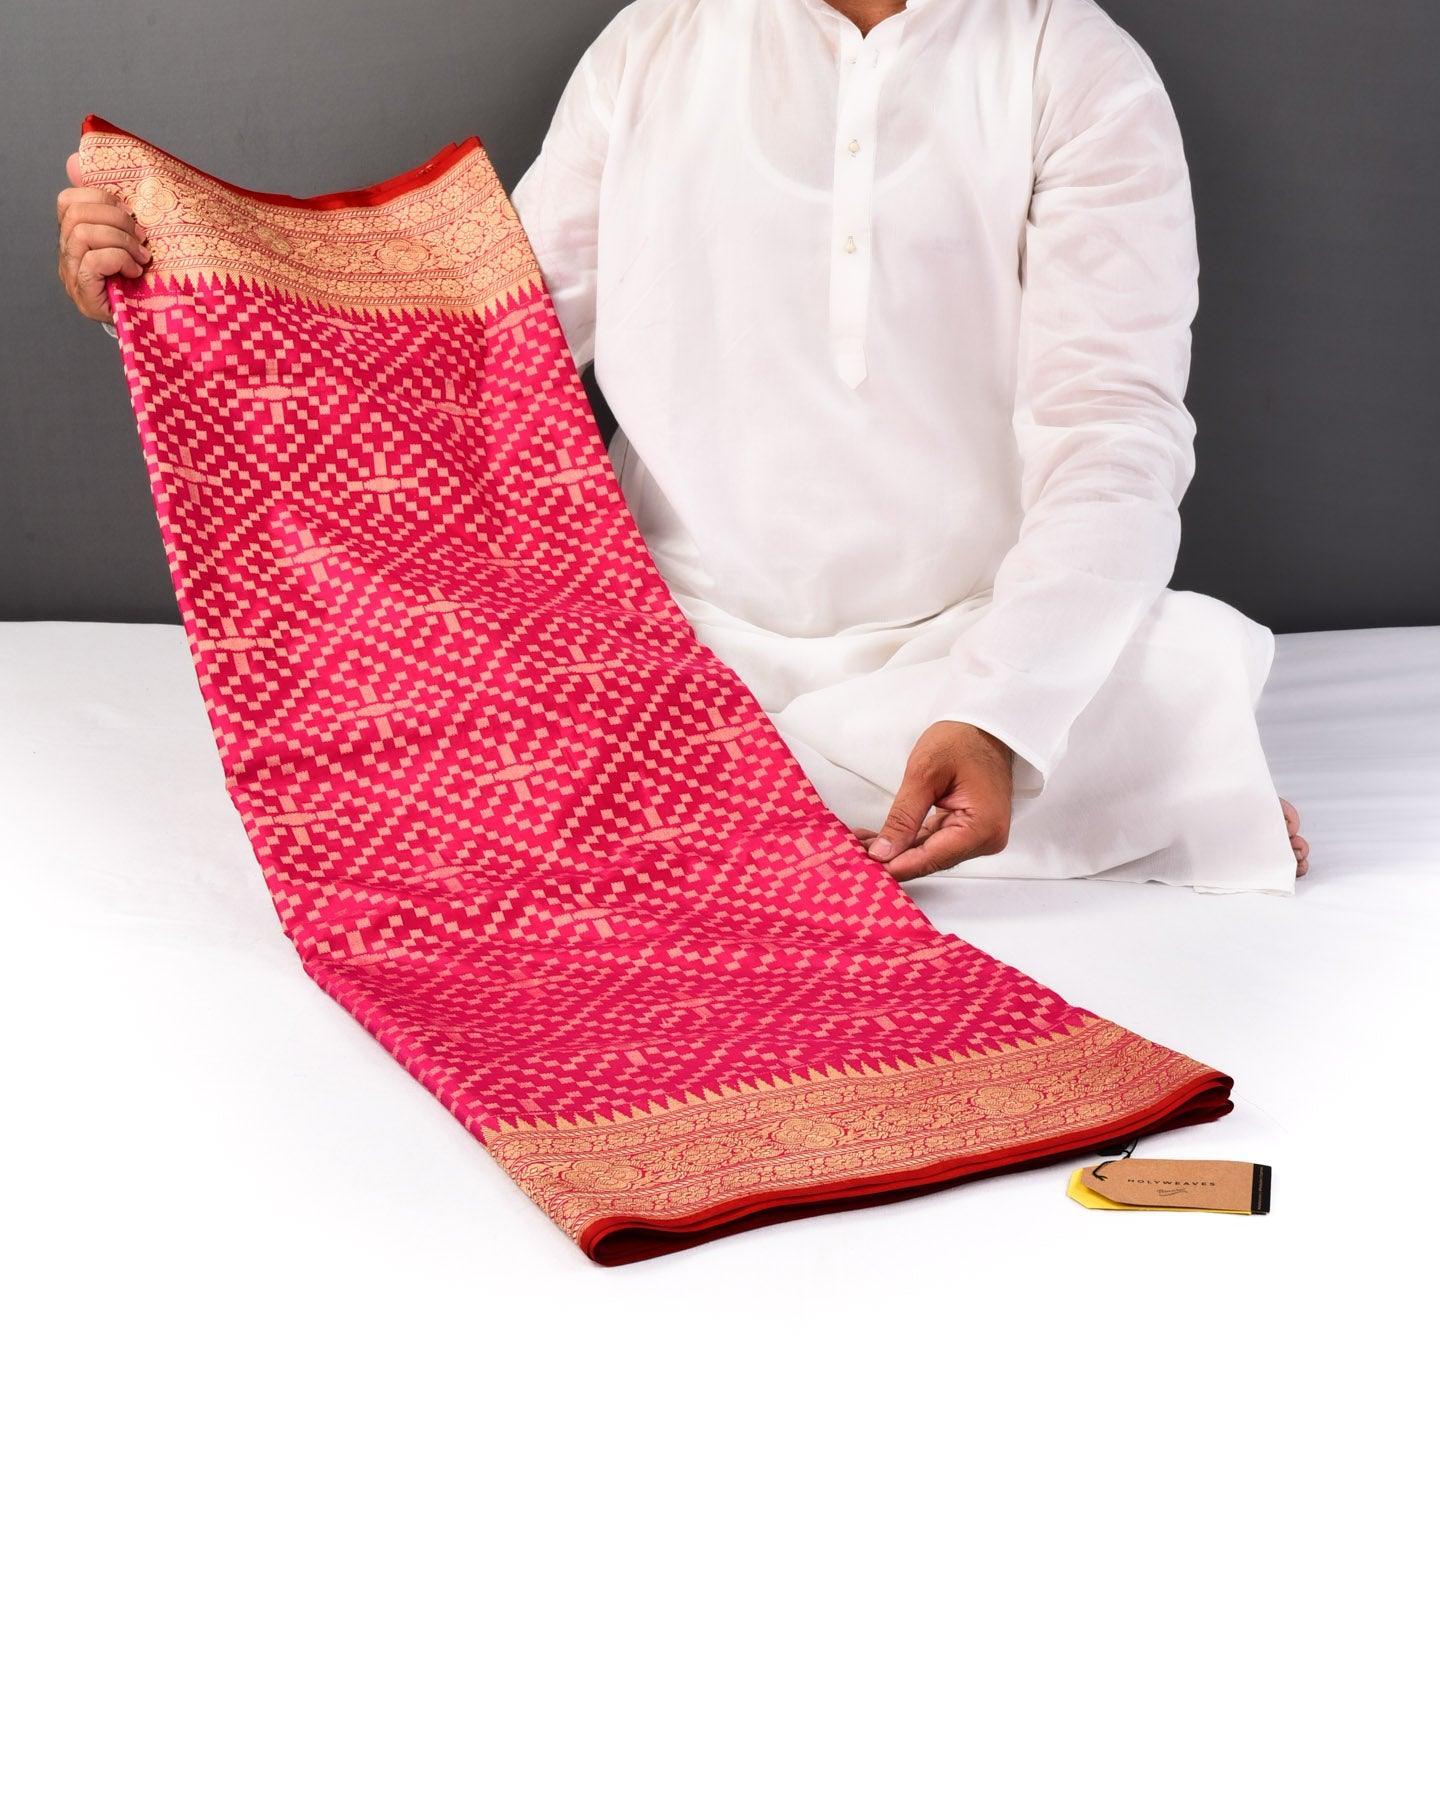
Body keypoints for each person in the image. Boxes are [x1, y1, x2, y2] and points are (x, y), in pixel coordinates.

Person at [56, 0, 1310, 889]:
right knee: (451, 682)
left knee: (1168, 666)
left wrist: (999, 710)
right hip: (668, 639)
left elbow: (1114, 429)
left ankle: (896, 784)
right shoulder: (655, 44)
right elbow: (482, 344)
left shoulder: (1072, 64)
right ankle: (1095, 802)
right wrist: (170, 292)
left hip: (957, 640)